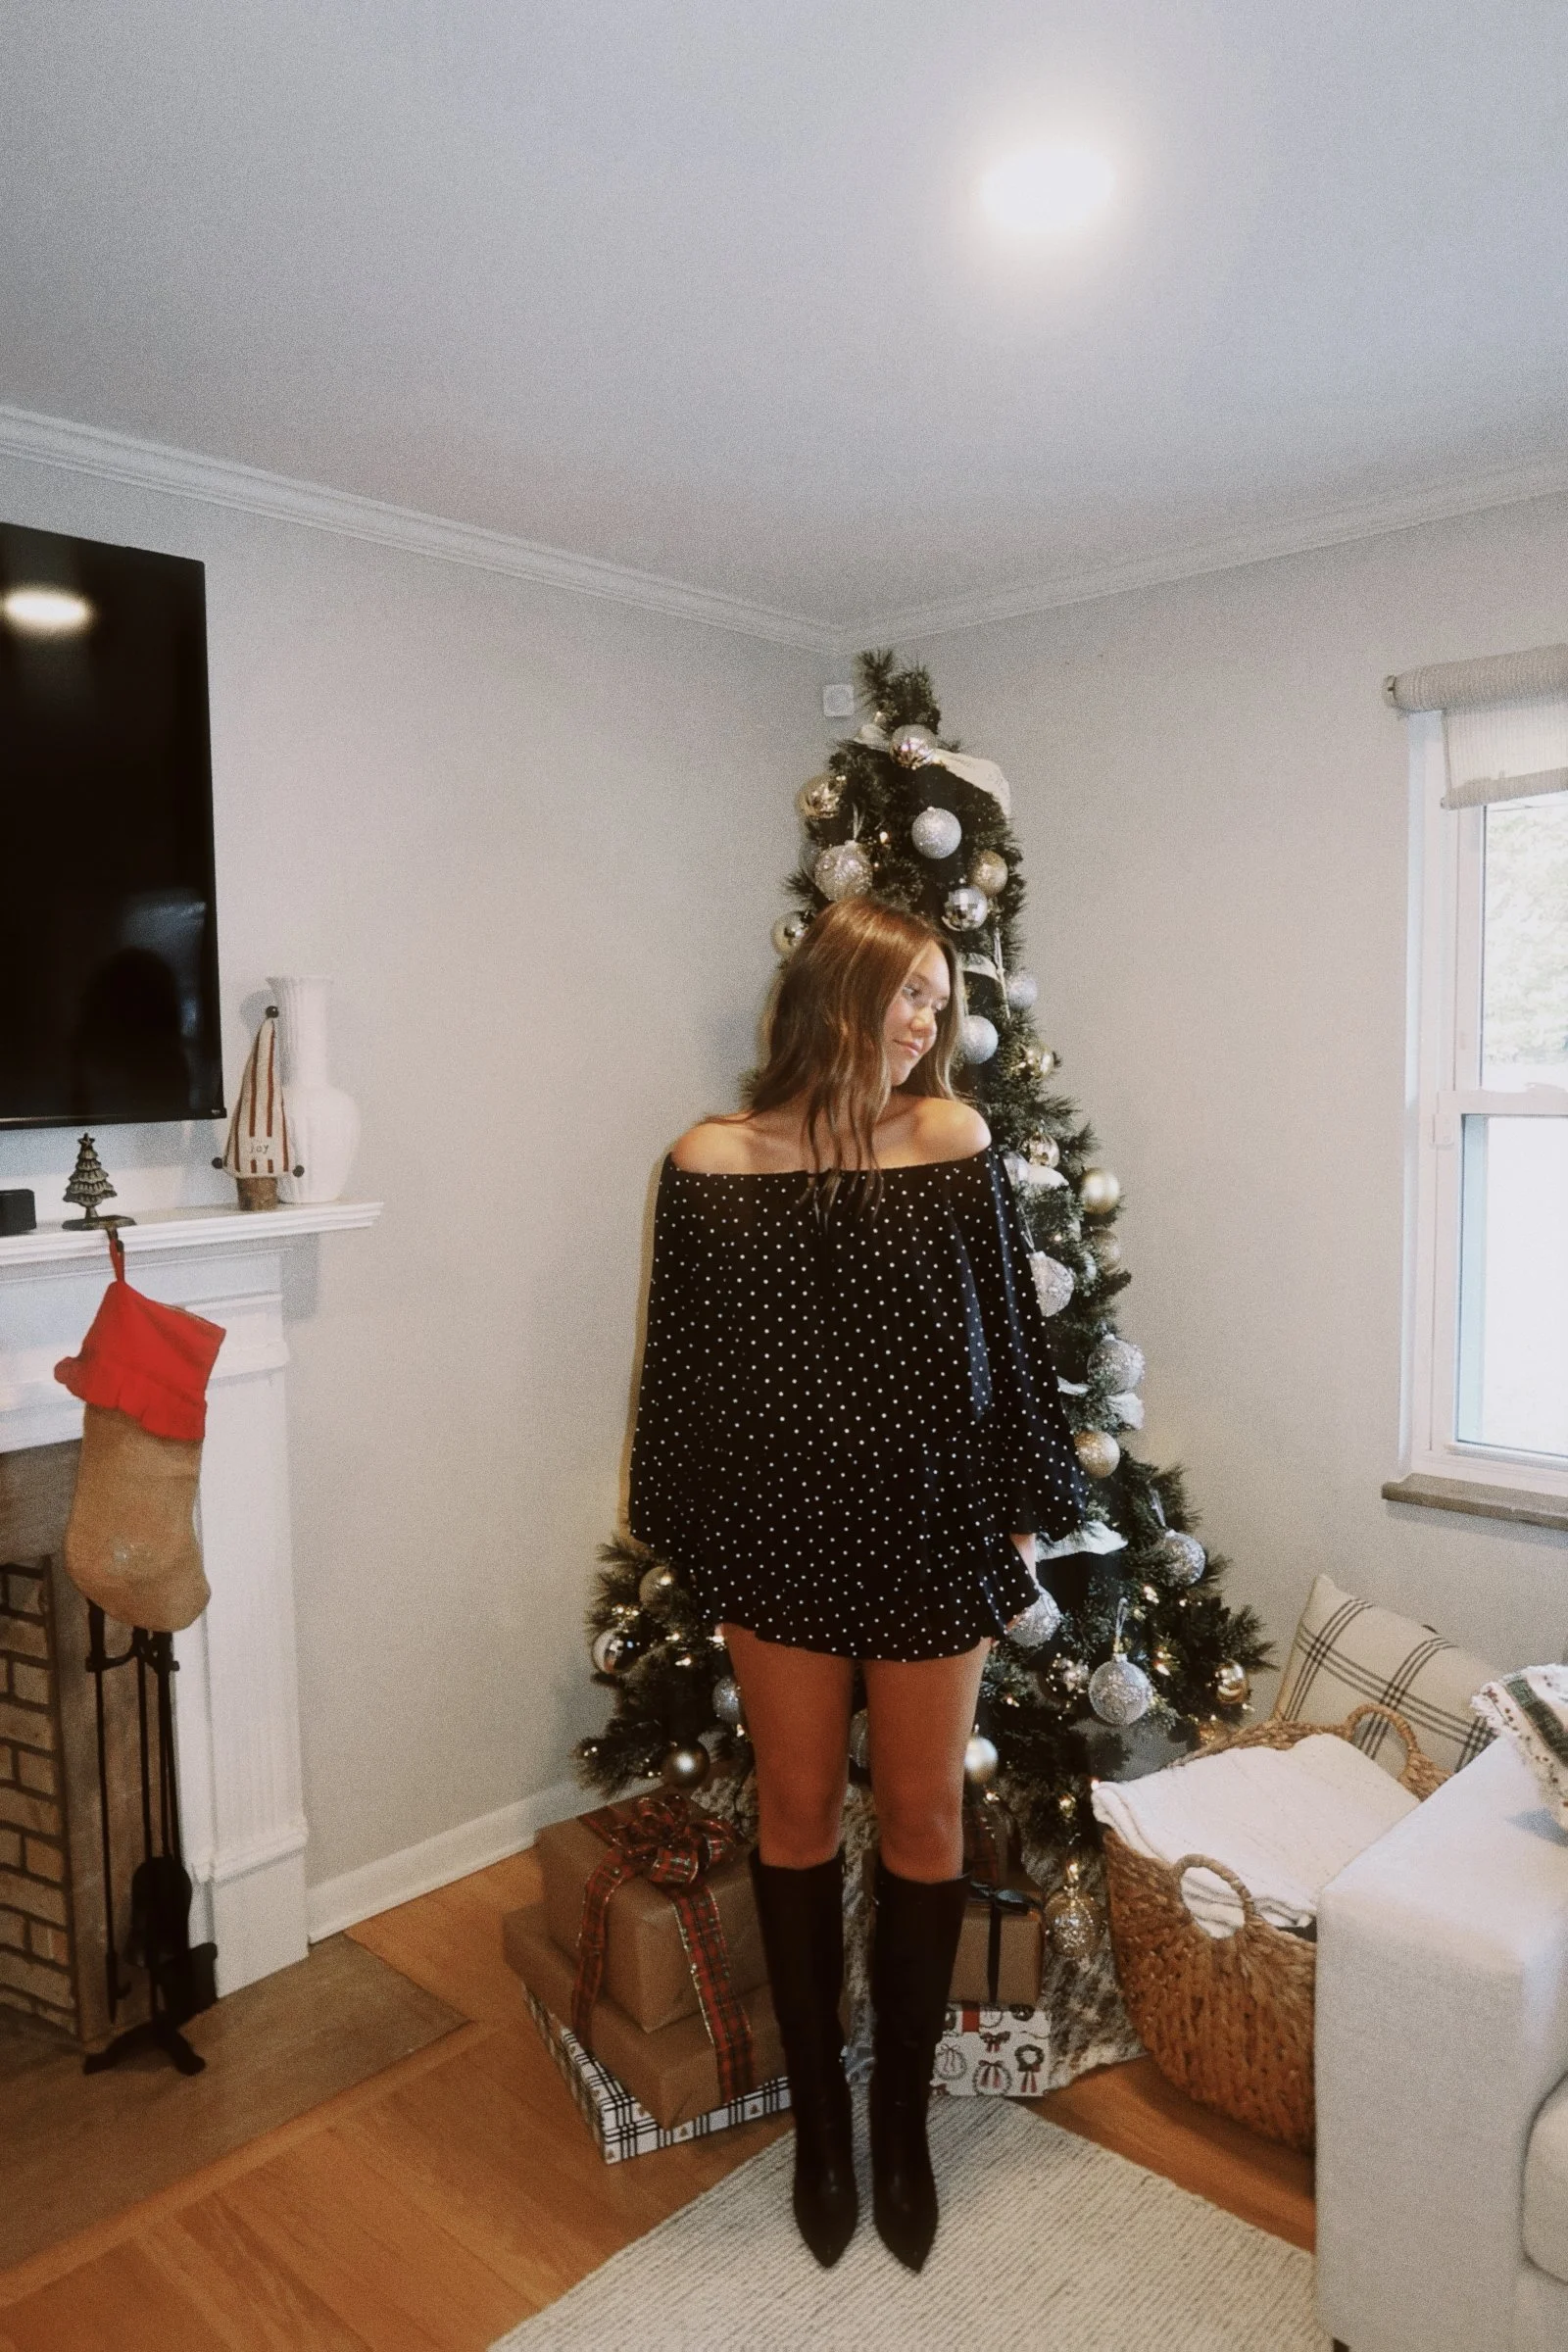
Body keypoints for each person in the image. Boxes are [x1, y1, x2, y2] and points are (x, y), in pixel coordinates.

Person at [626, 896, 1086, 2273]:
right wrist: (692, 1542)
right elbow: (682, 1378)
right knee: (796, 1815)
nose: (927, 1025)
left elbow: (1008, 1338)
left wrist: (1022, 1518)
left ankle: (900, 2128)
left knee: (926, 1818)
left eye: (940, 1002)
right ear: (840, 990)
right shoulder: (709, 1160)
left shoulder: (951, 1140)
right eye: (909, 995)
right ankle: (820, 2127)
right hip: (776, 1539)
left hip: (932, 1530)